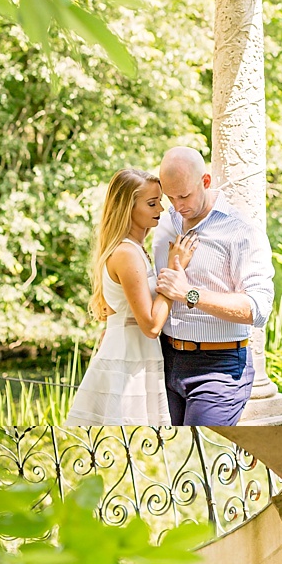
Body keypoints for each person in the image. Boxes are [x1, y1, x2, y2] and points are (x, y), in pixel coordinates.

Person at [151, 147, 274, 426]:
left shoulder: (241, 231)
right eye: (170, 197)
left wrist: (188, 294)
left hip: (219, 369)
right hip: (163, 360)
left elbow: (258, 309)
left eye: (184, 196)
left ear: (205, 182)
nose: (178, 205)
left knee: (206, 450)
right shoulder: (165, 222)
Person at [66, 170, 196, 426]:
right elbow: (150, 325)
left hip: (137, 354)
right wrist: (174, 270)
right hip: (128, 359)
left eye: (160, 200)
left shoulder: (136, 249)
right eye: (151, 203)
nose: (161, 208)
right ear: (128, 207)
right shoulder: (126, 253)